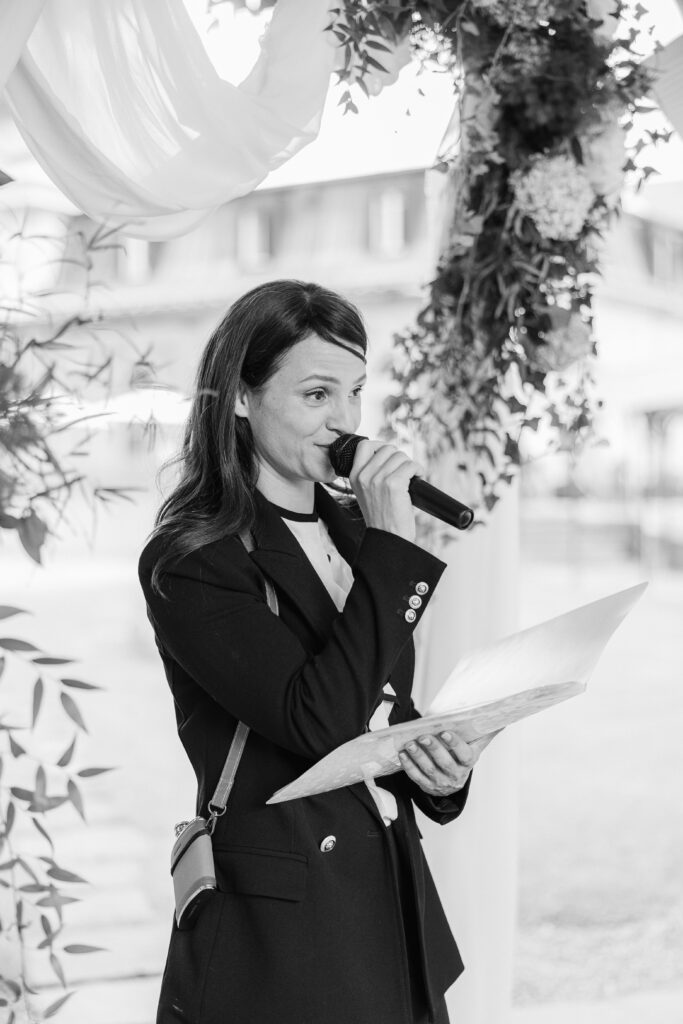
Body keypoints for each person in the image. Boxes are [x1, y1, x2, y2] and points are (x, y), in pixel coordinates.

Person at [138, 279, 497, 1024]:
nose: (345, 423)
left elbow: (380, 706)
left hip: (387, 899)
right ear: (240, 396)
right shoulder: (194, 559)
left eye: (355, 393)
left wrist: (439, 773)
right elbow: (319, 721)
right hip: (283, 936)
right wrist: (396, 545)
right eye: (316, 395)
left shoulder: (355, 535)